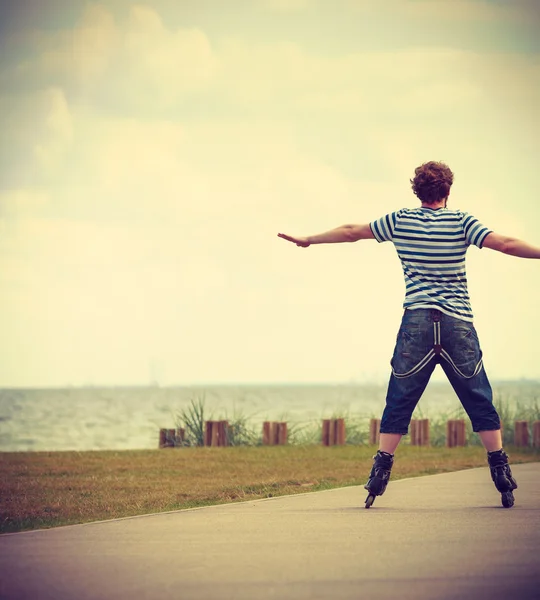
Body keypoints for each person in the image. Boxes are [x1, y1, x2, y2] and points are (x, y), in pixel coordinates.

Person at [277, 161, 540, 508]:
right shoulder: (462, 222)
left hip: (416, 320)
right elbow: (505, 244)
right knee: (478, 395)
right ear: (448, 191)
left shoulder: (399, 220)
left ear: (417, 191)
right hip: (457, 322)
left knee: (400, 396)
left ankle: (380, 472)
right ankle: (500, 469)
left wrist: (309, 239)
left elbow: (351, 230)